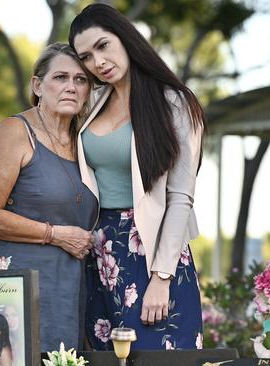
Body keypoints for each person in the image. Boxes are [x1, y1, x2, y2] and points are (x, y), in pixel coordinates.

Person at [68, 4, 206, 350]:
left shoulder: (174, 103)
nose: (97, 62)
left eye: (103, 45)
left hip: (152, 252)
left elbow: (180, 198)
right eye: (85, 56)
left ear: (125, 37)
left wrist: (161, 278)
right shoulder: (93, 102)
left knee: (158, 355)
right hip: (99, 254)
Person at [0, 42, 99, 351]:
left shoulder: (85, 142)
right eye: (60, 78)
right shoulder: (14, 131)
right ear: (37, 85)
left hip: (65, 289)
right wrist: (54, 235)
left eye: (81, 80)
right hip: (11, 288)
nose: (71, 87)